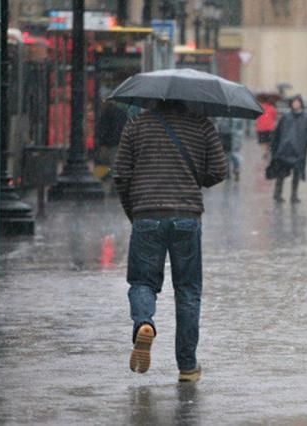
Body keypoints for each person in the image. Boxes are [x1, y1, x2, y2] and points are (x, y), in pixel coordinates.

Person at [113, 100, 227, 382]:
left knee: (142, 282)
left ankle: (144, 323)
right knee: (188, 290)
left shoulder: (136, 126)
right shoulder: (202, 125)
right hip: (187, 216)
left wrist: (134, 211)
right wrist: (191, 177)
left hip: (146, 214)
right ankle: (187, 366)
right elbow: (219, 171)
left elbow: (120, 175)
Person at [267, 95, 307, 203]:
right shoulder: (286, 117)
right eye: (294, 102)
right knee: (281, 173)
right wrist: (277, 146)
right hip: (285, 149)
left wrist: (305, 145)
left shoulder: (306, 118)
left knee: (296, 173)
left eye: (297, 102)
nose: (295, 104)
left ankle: (294, 195)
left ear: (301, 103)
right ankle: (277, 194)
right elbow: (279, 132)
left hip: (298, 150)